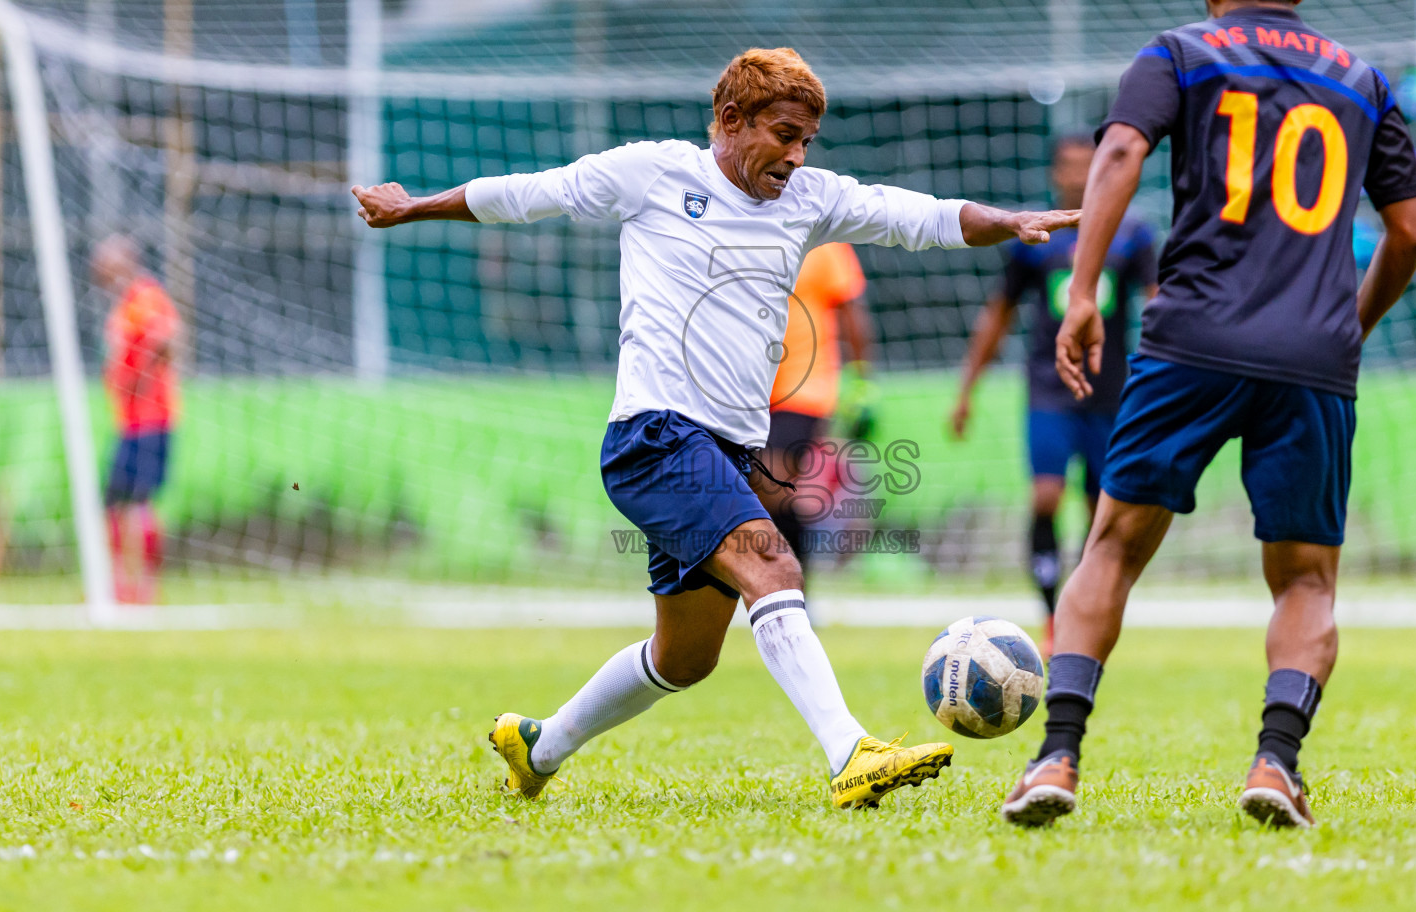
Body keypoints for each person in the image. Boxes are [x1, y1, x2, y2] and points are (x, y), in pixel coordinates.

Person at [352, 47, 1080, 810]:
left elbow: (915, 216)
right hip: (655, 436)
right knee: (775, 564)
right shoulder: (655, 174)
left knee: (685, 656)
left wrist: (1012, 221)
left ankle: (540, 745)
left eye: (808, 142)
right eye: (785, 135)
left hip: (728, 453)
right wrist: (414, 206)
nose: (797, 157)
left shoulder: (809, 198)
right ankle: (850, 753)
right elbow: (530, 194)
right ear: (730, 122)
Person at [1002, 0, 1416, 830]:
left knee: (1111, 544)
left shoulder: (1180, 54)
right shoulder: (1364, 79)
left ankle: (1056, 758)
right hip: (1313, 355)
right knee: (1307, 577)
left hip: (1191, 338)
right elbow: (1408, 232)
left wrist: (1081, 294)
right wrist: (1350, 322)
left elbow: (1118, 153)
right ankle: (1275, 764)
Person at [950, 136, 1158, 656]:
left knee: (1100, 511)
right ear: (1054, 174)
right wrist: (966, 389)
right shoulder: (1033, 238)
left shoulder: (1131, 235)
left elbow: (1156, 305)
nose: (1076, 175)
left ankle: (1085, 615)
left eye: (1086, 166)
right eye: (1067, 167)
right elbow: (999, 314)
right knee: (1046, 495)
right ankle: (1050, 618)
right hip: (1048, 387)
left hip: (1110, 393)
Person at [758, 241, 875, 569]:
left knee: (772, 481)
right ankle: (786, 592)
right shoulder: (745, 236)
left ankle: (791, 592)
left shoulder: (826, 245)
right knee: (766, 493)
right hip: (752, 391)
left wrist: (862, 384)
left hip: (807, 386)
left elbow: (853, 311)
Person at [92, 235, 181, 605]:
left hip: (151, 419)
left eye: (103, 262)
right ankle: (119, 584)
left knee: (140, 500)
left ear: (123, 261)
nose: (96, 270)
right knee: (115, 501)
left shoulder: (145, 295)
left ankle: (144, 586)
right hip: (129, 422)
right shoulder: (124, 303)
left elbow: (166, 337)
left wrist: (136, 381)